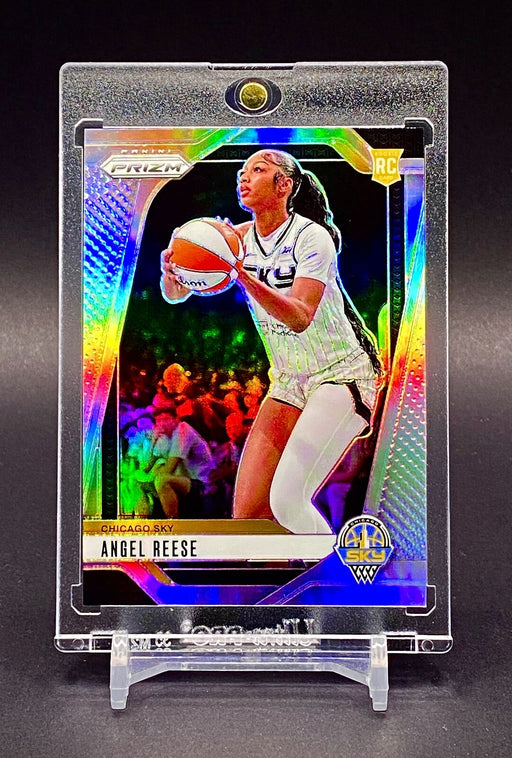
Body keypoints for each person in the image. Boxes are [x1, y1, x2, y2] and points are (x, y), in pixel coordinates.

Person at [160, 149, 382, 534]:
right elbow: (176, 296)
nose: (243, 176)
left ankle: (337, 570)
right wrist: (173, 275)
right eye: (242, 171)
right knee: (249, 516)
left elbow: (299, 317)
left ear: (284, 185)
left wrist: (242, 276)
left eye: (257, 170)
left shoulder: (312, 237)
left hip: (341, 374)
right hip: (288, 381)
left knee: (287, 501)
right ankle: (283, 574)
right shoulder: (237, 240)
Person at [127, 402, 214, 518]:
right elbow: (150, 465)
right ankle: (145, 522)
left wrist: (149, 480)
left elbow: (169, 468)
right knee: (141, 481)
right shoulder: (165, 437)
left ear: (176, 419)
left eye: (166, 419)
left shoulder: (182, 429)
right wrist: (153, 441)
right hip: (185, 481)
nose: (162, 423)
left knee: (161, 480)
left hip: (203, 483)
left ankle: (172, 523)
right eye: (159, 421)